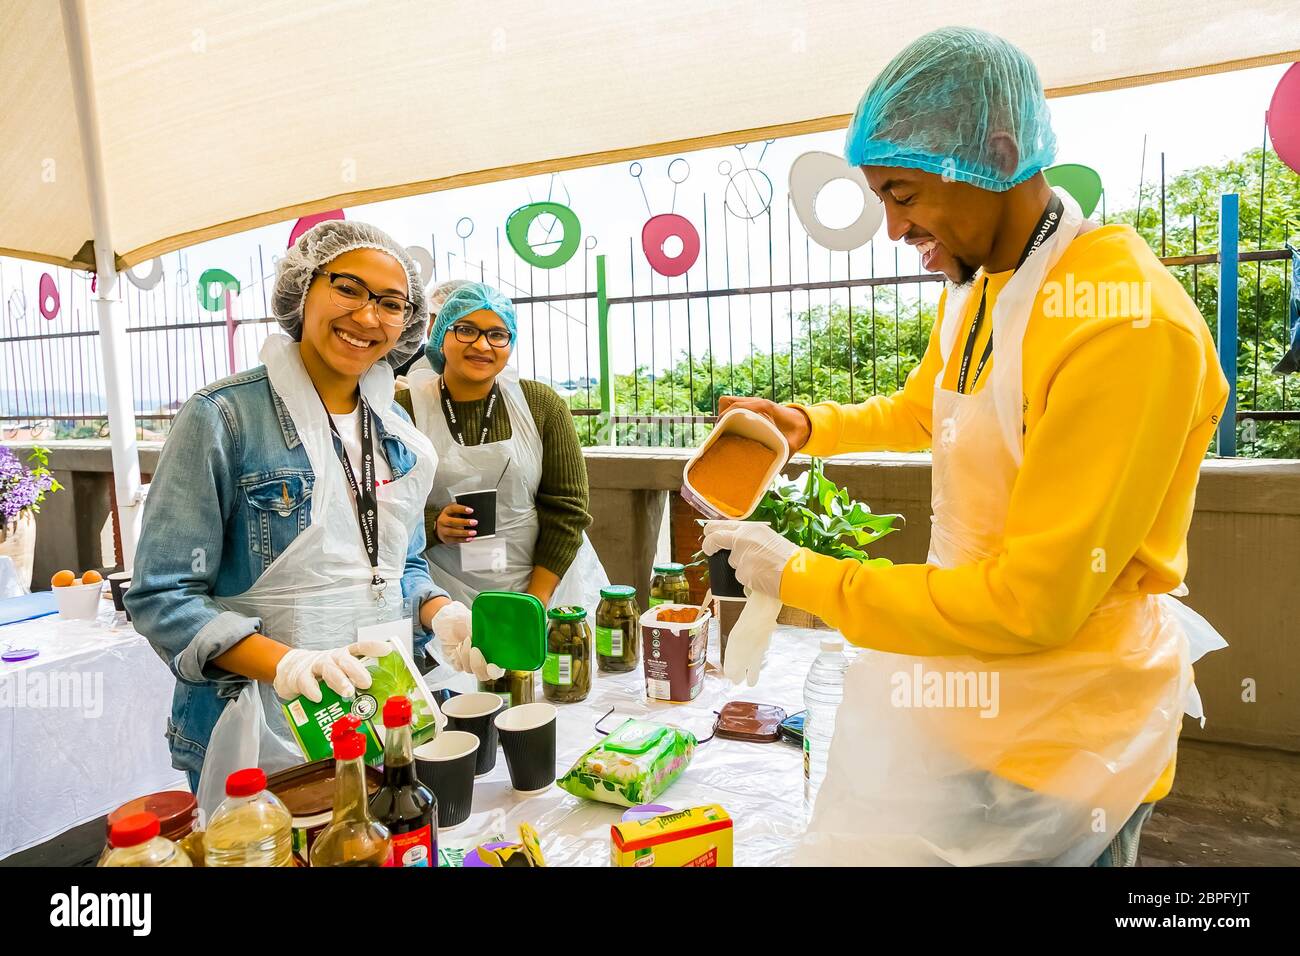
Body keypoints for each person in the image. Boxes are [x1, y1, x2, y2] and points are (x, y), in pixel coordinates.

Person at [703, 27, 1228, 867]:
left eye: (903, 194)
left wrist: (801, 574)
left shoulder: (1121, 325)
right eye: (880, 198)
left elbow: (1034, 605)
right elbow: (929, 409)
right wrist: (808, 424)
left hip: (1068, 737)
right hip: (968, 695)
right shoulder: (988, 282)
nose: (891, 228)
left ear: (999, 152)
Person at [127, 221, 470, 795]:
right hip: (255, 730)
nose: (367, 317)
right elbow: (162, 594)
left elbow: (394, 569)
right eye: (349, 288)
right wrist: (288, 665)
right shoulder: (223, 418)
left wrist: (441, 612)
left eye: (391, 303)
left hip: (379, 716)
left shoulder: (395, 430)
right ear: (301, 289)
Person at [396, 281, 608, 683]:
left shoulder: (540, 404)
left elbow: (567, 510)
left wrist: (532, 603)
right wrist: (433, 525)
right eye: (467, 330)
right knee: (465, 694)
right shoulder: (406, 409)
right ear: (439, 335)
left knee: (555, 693)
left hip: (547, 585)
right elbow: (382, 508)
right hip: (446, 595)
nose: (482, 345)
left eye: (497, 334)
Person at [393, 278, 470, 380]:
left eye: (441, 321)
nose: (432, 329)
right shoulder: (416, 355)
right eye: (431, 318)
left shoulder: (479, 367)